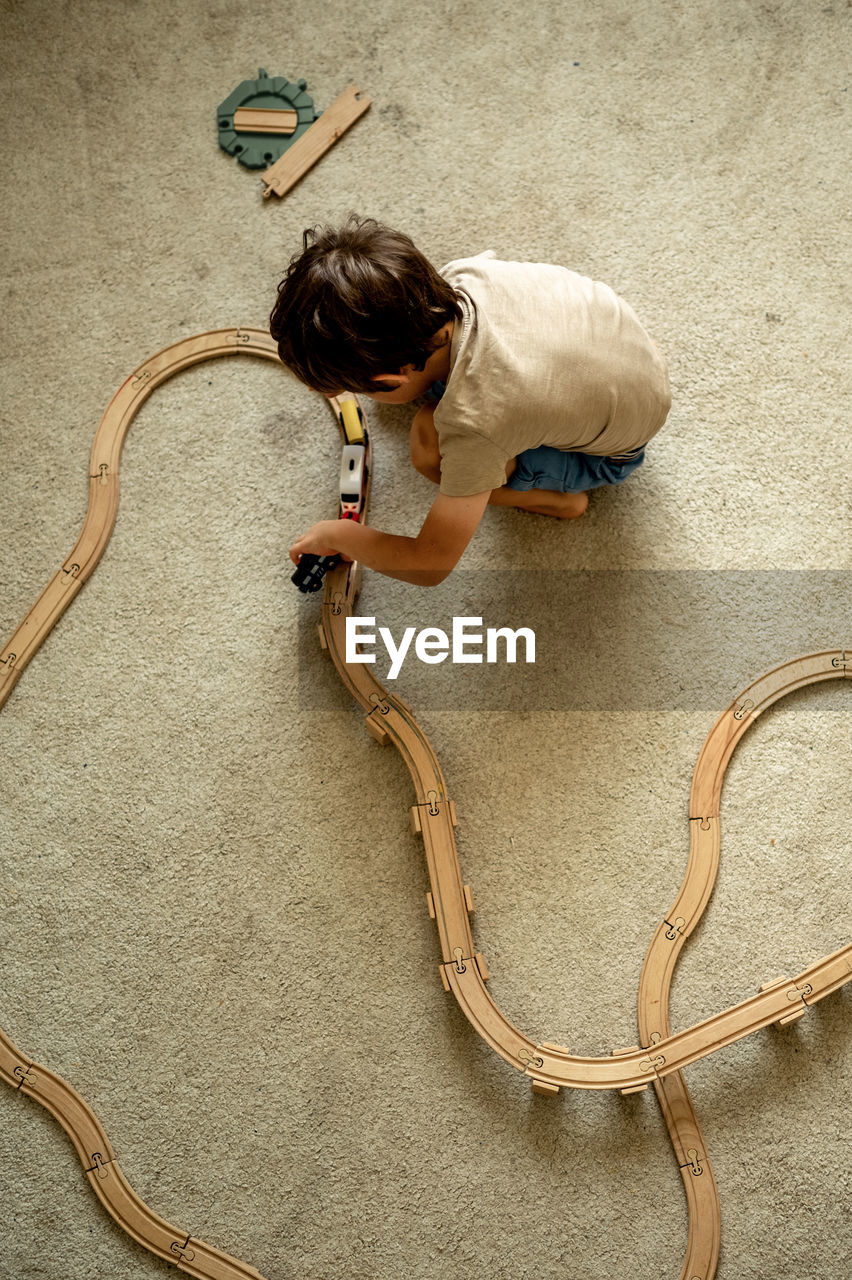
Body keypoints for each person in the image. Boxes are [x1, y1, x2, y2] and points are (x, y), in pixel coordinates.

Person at [270, 215, 670, 587]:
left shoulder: (476, 423)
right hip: (630, 355)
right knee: (474, 394)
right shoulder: (464, 275)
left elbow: (431, 564)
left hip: (607, 453)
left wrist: (342, 534)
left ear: (392, 379)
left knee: (429, 444)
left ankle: (558, 500)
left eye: (353, 388)